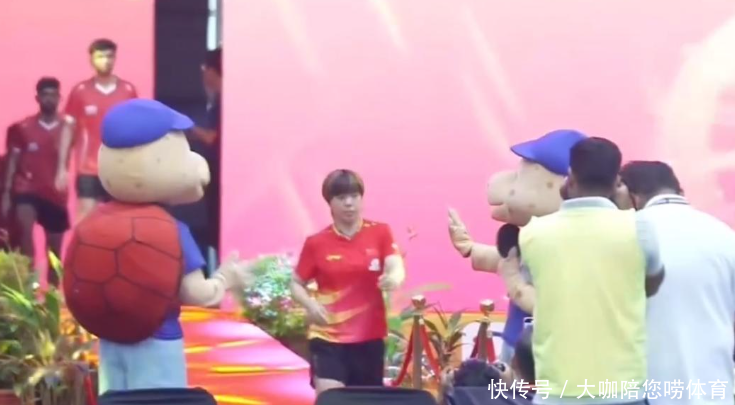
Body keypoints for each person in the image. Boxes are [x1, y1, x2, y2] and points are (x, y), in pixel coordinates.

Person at [518, 137, 664, 404]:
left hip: (557, 394)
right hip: (624, 393)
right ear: (616, 182)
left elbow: (538, 282)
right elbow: (653, 282)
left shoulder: (533, 233)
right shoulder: (640, 228)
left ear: (570, 178)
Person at [617, 161, 735, 404]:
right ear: (679, 191)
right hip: (715, 390)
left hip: (646, 391)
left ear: (631, 197)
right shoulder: (724, 235)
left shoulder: (624, 236)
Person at [290, 169, 406, 395]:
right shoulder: (316, 243)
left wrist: (393, 278)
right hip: (327, 336)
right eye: (342, 198)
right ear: (330, 203)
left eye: (354, 196)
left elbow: (396, 265)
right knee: (332, 398)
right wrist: (310, 305)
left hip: (368, 337)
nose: (349, 203)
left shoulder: (380, 232)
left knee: (366, 399)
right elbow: (295, 283)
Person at [55, 38, 137, 222]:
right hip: (89, 168)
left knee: (120, 219)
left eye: (110, 56)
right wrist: (62, 167)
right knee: (85, 218)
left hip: (119, 167)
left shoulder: (127, 90)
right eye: (100, 57)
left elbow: (135, 128)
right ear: (91, 59)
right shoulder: (80, 91)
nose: (105, 61)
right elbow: (69, 130)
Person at [3, 78, 71, 286]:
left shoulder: (69, 128)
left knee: (54, 252)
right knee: (25, 234)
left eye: (53, 95)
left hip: (55, 195)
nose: (49, 99)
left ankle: (52, 294)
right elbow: (12, 162)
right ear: (37, 98)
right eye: (45, 95)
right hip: (27, 189)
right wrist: (6, 194)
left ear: (59, 98)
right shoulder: (21, 128)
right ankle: (29, 288)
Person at [187, 47, 222, 257]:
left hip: (220, 172)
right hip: (215, 169)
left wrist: (187, 126)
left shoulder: (224, 101)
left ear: (211, 70)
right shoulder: (216, 100)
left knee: (217, 222)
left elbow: (211, 137)